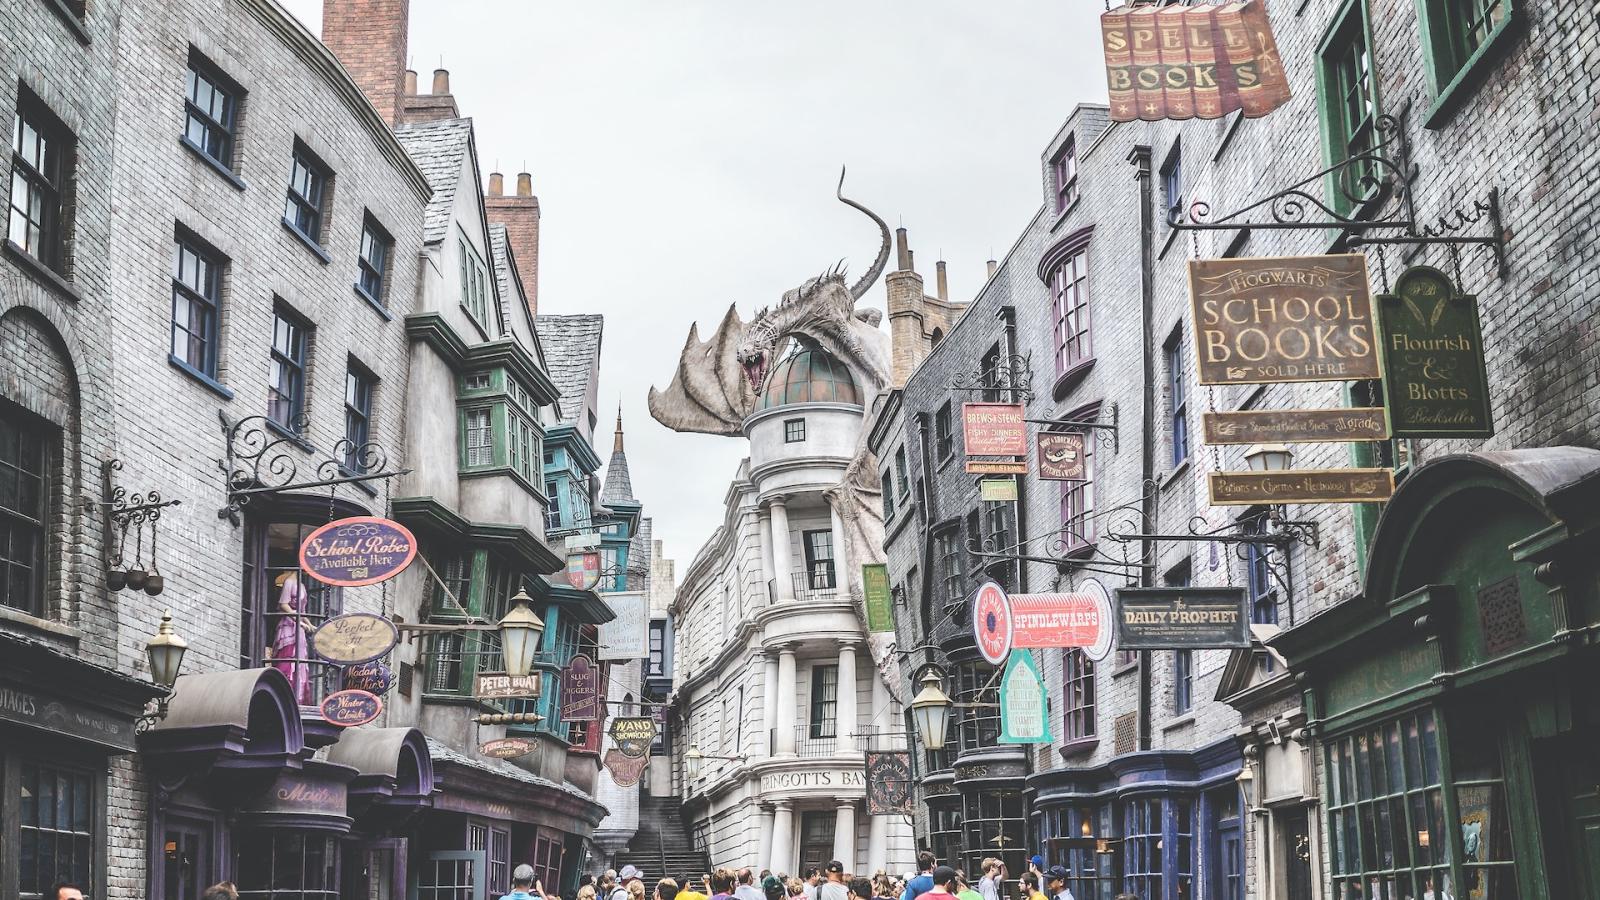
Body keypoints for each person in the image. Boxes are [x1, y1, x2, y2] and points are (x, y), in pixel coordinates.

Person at [271, 571, 315, 704]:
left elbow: (302, 610)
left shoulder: (301, 584)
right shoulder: (289, 582)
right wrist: (299, 621)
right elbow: (284, 604)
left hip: (299, 627)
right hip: (289, 625)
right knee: (288, 658)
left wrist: (310, 624)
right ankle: (284, 693)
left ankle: (298, 696)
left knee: (300, 662)